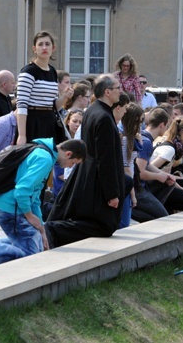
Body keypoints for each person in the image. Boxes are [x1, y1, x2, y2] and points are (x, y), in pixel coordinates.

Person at [0, 139, 86, 266]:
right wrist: (29, 216)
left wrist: (41, 228)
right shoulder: (44, 159)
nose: (70, 167)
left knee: (38, 243)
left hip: (7, 204)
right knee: (30, 256)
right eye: (73, 163)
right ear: (68, 154)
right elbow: (22, 191)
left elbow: (35, 196)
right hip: (10, 209)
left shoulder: (42, 150)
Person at [46, 74, 126, 247]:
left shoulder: (93, 110)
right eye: (118, 88)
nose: (120, 91)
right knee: (104, 225)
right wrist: (112, 193)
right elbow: (106, 158)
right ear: (107, 91)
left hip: (87, 174)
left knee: (91, 219)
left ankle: (53, 230)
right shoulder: (103, 117)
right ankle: (54, 231)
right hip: (96, 178)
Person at [16, 31, 73, 145]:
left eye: (47, 44)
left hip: (49, 121)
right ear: (34, 48)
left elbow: (52, 105)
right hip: (33, 121)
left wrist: (65, 97)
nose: (44, 47)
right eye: (40, 44)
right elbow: (22, 104)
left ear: (53, 48)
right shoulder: (28, 71)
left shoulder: (52, 71)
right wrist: (22, 135)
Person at [132, 108, 172, 223]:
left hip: (139, 187)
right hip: (138, 189)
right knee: (163, 218)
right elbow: (140, 173)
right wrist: (158, 177)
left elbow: (146, 164)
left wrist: (162, 173)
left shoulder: (143, 136)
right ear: (162, 125)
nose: (167, 129)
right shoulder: (147, 143)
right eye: (167, 126)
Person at [119, 103, 143, 228]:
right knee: (123, 223)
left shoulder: (131, 137)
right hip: (125, 184)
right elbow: (126, 168)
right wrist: (133, 195)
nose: (139, 125)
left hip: (128, 182)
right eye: (137, 121)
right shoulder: (124, 139)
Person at [52, 109, 83, 198]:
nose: (77, 124)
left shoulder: (82, 143)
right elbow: (60, 174)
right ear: (68, 121)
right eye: (74, 121)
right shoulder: (61, 145)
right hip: (62, 190)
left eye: (80, 122)